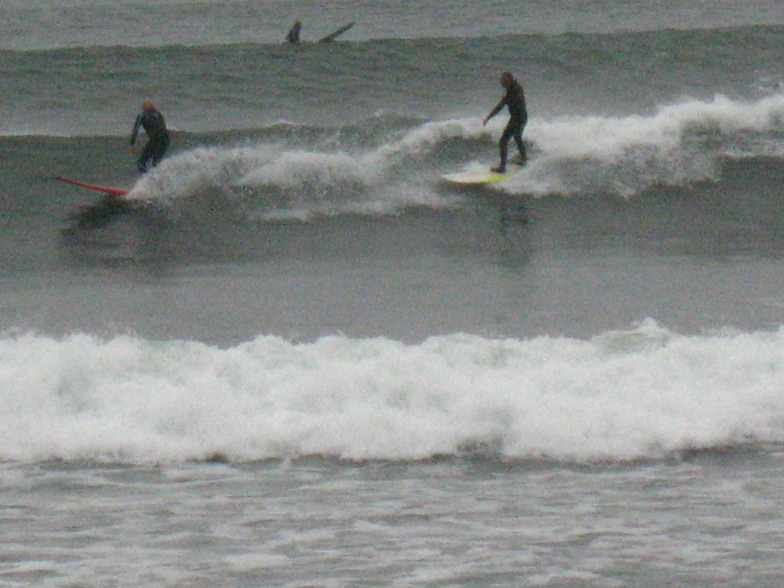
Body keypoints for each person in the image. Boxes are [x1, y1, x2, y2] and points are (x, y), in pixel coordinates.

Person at [483, 72, 528, 173]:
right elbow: (500, 106)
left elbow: (517, 99)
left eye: (503, 81)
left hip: (519, 118)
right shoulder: (509, 90)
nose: (501, 83)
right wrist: (489, 117)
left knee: (503, 141)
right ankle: (523, 159)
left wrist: (508, 99)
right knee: (517, 138)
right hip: (517, 118)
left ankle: (503, 168)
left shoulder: (517, 88)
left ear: (509, 80)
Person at [129, 100, 170, 174]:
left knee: (141, 162)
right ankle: (159, 182)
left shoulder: (142, 116)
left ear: (144, 108)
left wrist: (132, 144)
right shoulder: (159, 114)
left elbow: (135, 130)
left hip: (155, 139)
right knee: (156, 163)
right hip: (166, 139)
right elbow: (163, 128)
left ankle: (147, 182)